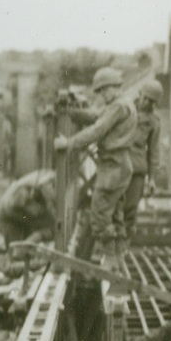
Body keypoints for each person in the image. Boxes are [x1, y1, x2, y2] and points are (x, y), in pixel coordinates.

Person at [55, 66, 137, 259]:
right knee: (115, 215)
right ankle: (117, 259)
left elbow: (97, 129)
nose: (101, 95)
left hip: (113, 166)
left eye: (102, 90)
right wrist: (73, 112)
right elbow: (97, 116)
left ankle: (110, 260)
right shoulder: (123, 104)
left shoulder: (118, 106)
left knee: (99, 215)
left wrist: (68, 143)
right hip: (120, 165)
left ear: (112, 87)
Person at [123, 79, 164, 236]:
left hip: (136, 170)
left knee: (130, 212)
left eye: (152, 101)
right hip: (118, 166)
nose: (147, 103)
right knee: (113, 211)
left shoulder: (153, 122)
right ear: (139, 94)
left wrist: (152, 179)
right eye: (145, 98)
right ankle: (109, 251)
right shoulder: (124, 110)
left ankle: (121, 250)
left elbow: (154, 152)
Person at [0, 170, 56, 245]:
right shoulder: (17, 201)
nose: (34, 212)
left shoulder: (46, 183)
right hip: (10, 215)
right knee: (16, 248)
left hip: (16, 207)